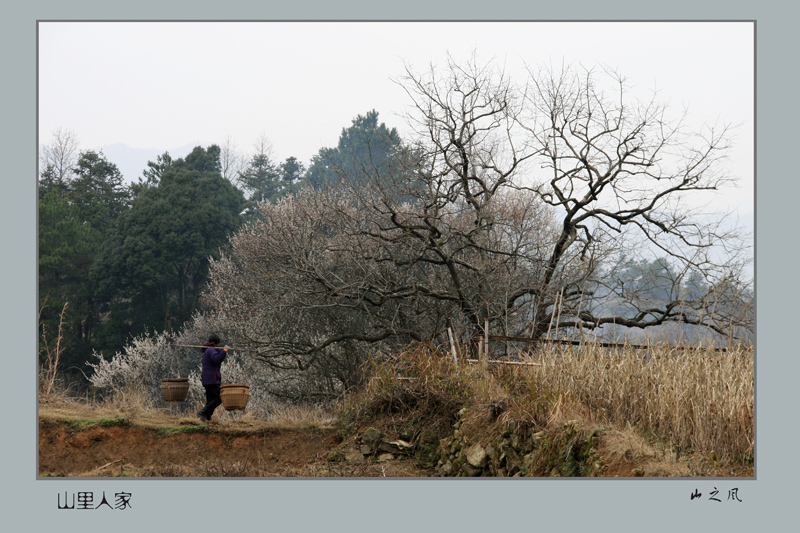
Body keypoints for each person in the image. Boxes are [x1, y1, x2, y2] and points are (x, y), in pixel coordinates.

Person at [197, 334, 230, 421]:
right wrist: (224, 351)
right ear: (216, 343)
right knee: (219, 398)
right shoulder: (211, 350)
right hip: (212, 379)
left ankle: (207, 417)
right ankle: (203, 412)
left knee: (211, 399)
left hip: (207, 379)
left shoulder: (208, 350)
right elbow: (217, 359)